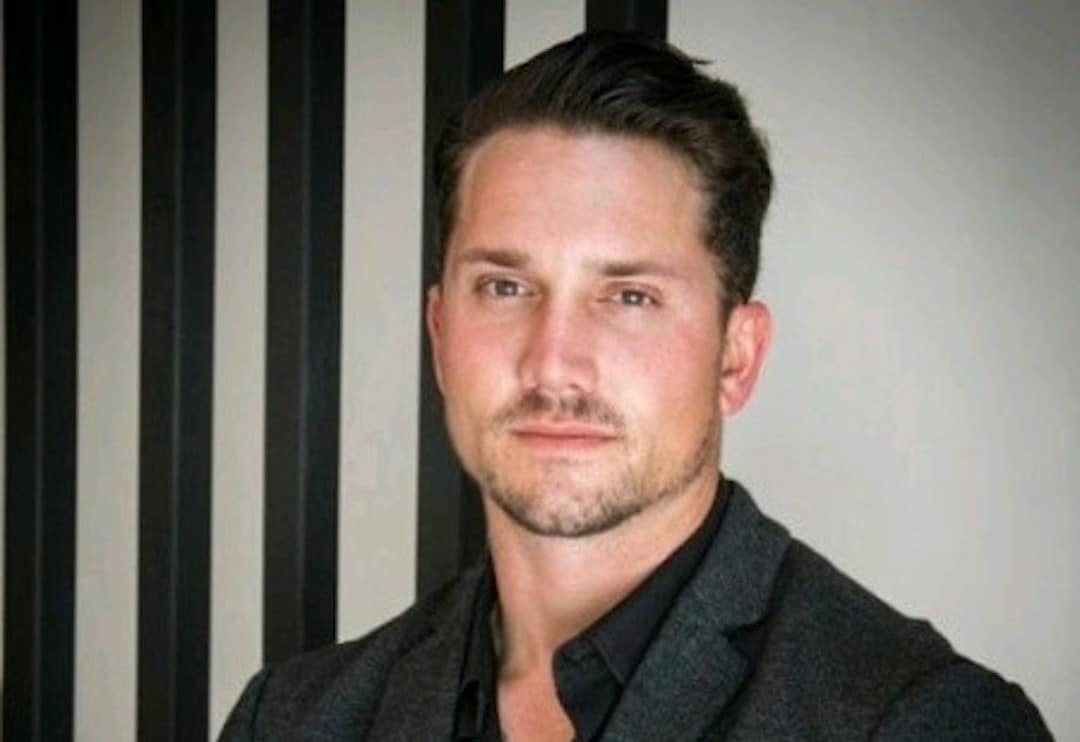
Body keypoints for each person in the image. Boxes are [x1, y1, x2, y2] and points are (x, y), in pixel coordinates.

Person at [219, 31, 1051, 741]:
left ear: (736, 358)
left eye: (629, 297)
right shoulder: (290, 719)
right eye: (505, 287)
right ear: (440, 336)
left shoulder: (924, 721)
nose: (554, 363)